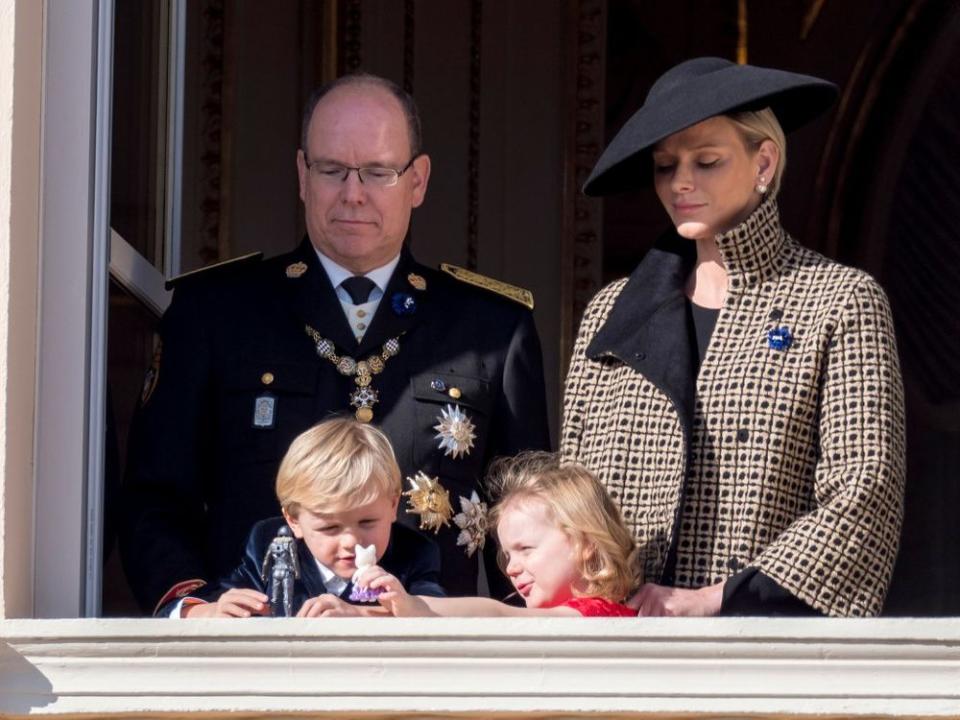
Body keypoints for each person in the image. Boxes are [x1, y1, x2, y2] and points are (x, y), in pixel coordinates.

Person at [121, 73, 550, 615]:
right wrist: (194, 609)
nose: (353, 193)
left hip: (431, 668)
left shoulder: (490, 329)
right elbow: (154, 499)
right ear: (302, 174)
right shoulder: (217, 313)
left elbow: (528, 523)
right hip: (252, 660)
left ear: (417, 181)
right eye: (332, 170)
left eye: (378, 172)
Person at [561, 57, 905, 618]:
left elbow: (864, 493)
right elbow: (569, 496)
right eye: (665, 166)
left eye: (707, 160)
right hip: (614, 645)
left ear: (763, 161)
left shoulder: (839, 301)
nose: (681, 182)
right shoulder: (612, 312)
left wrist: (718, 599)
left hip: (761, 647)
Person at [175, 419, 445, 618]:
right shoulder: (272, 546)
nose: (351, 540)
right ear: (294, 521)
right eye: (330, 527)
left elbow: (479, 614)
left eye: (367, 522)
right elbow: (181, 612)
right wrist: (213, 612)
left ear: (393, 505)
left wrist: (394, 609)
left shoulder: (412, 554)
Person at [364, 452, 640, 617]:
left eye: (526, 549)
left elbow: (497, 614)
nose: (511, 568)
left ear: (585, 542)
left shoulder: (597, 614)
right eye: (508, 554)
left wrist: (410, 605)